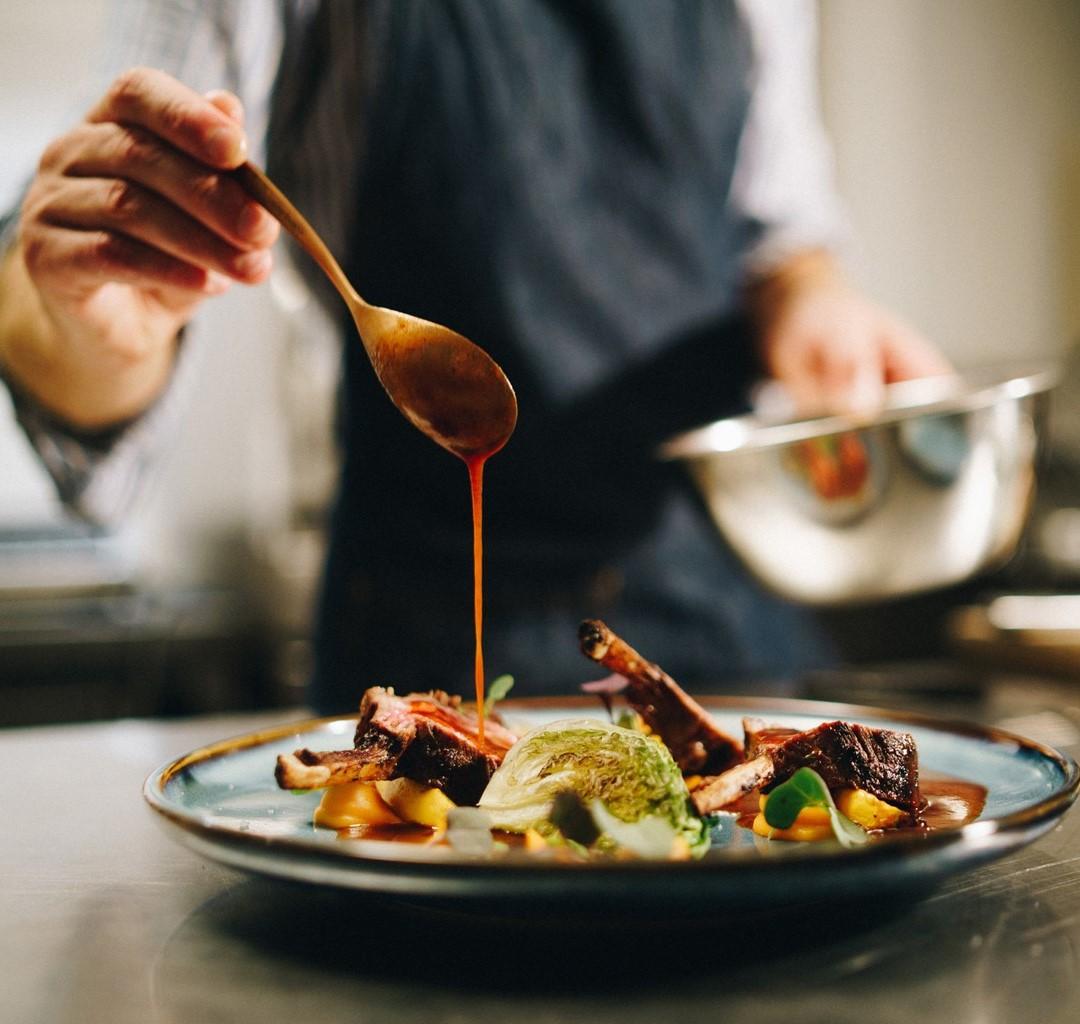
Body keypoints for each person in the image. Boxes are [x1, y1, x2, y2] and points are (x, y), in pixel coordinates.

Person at [0, 1, 946, 711]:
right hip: (428, 662)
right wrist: (85, 320)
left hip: (728, 635)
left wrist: (812, 302)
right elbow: (72, 284)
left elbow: (776, 227)